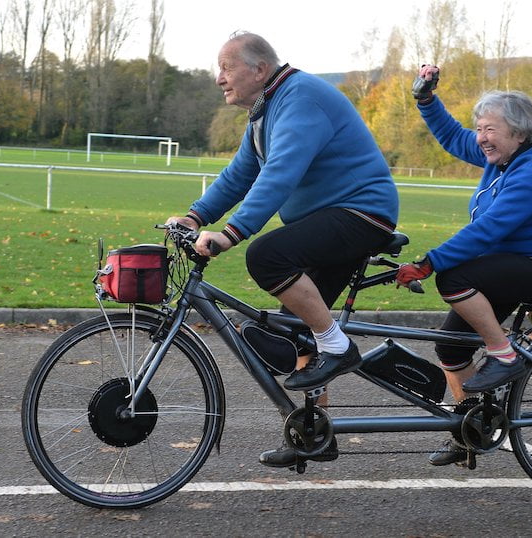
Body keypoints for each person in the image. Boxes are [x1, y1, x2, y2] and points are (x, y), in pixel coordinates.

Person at [166, 32, 398, 467]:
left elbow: (280, 173)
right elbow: (240, 175)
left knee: (266, 256)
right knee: (298, 330)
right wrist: (196, 217)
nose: (219, 78)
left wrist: (231, 234)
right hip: (328, 218)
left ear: (258, 69)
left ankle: (339, 347)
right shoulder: (265, 110)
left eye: (226, 67)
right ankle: (316, 434)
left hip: (361, 212)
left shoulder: (299, 98)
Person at [397, 65, 532, 466]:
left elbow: (489, 229)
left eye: (489, 129)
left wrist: (430, 263)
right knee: (450, 346)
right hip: (512, 261)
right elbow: (451, 136)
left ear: (519, 132)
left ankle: (505, 354)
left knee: (455, 276)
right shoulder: (501, 157)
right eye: (479, 128)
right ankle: (471, 429)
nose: (480, 138)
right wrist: (426, 100)